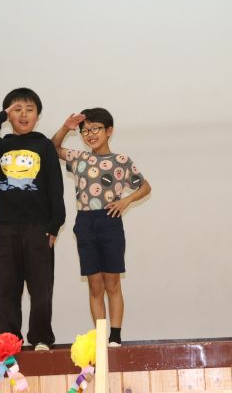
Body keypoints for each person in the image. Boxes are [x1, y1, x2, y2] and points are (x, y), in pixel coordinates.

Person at [0, 88, 65, 351]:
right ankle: (8, 341)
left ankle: (41, 338)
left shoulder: (44, 146)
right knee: (6, 289)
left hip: (39, 228)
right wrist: (0, 116)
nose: (23, 114)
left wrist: (55, 223)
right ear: (8, 115)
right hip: (5, 228)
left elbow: (55, 187)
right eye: (17, 109)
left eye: (29, 109)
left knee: (41, 288)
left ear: (38, 115)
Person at [52, 107, 151, 347]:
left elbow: (145, 186)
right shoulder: (79, 158)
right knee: (95, 285)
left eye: (96, 129)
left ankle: (114, 336)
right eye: (85, 131)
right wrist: (66, 127)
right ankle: (99, 338)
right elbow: (52, 147)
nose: (90, 134)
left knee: (112, 282)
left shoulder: (121, 161)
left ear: (109, 131)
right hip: (85, 223)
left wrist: (126, 200)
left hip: (110, 221)